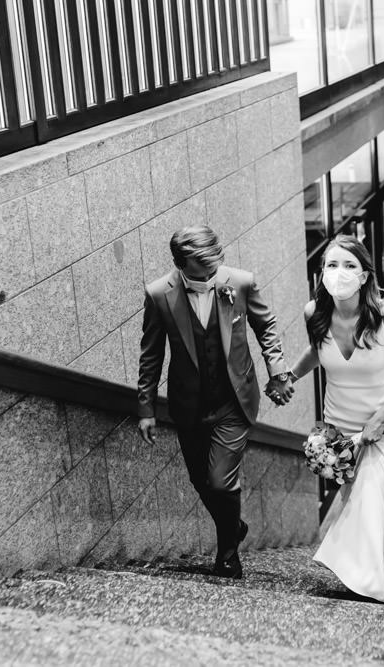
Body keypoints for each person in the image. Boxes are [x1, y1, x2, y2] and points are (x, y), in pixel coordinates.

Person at [136, 226, 295, 579]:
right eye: (201, 266)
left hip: (233, 402)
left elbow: (265, 326)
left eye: (214, 264)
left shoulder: (239, 282)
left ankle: (227, 553)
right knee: (199, 479)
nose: (211, 273)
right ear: (180, 264)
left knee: (221, 482)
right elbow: (151, 356)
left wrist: (278, 370)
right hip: (188, 404)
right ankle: (233, 525)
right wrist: (146, 407)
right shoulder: (159, 294)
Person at [287, 235, 384, 604]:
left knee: (371, 495)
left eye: (350, 266)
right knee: (362, 503)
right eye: (332, 265)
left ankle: (373, 585)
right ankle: (370, 579)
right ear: (322, 273)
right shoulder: (313, 312)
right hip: (340, 434)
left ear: (364, 277)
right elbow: (318, 350)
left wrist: (380, 418)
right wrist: (290, 376)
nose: (340, 273)